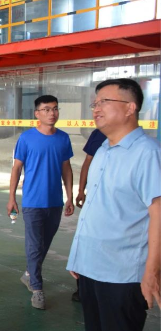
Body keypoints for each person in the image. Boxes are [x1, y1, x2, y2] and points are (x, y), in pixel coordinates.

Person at [61, 78, 160, 331]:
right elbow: (98, 208)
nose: (96, 108)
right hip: (92, 266)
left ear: (130, 108)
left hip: (123, 271)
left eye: (104, 102)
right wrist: (78, 257)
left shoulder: (147, 154)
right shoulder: (103, 148)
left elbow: (158, 215)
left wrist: (151, 272)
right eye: (95, 103)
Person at [7, 95, 74, 310]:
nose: (51, 113)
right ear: (37, 113)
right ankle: (37, 288)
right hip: (32, 201)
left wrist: (69, 196)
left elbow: (66, 169)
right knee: (34, 245)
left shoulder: (63, 138)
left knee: (44, 243)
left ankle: (29, 274)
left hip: (55, 201)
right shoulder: (26, 138)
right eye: (46, 109)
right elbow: (17, 168)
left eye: (55, 109)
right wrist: (12, 197)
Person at [71, 128, 106, 302]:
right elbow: (87, 162)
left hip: (112, 206)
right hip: (93, 199)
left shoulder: (146, 149)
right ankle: (83, 287)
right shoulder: (98, 134)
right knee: (87, 240)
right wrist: (81, 190)